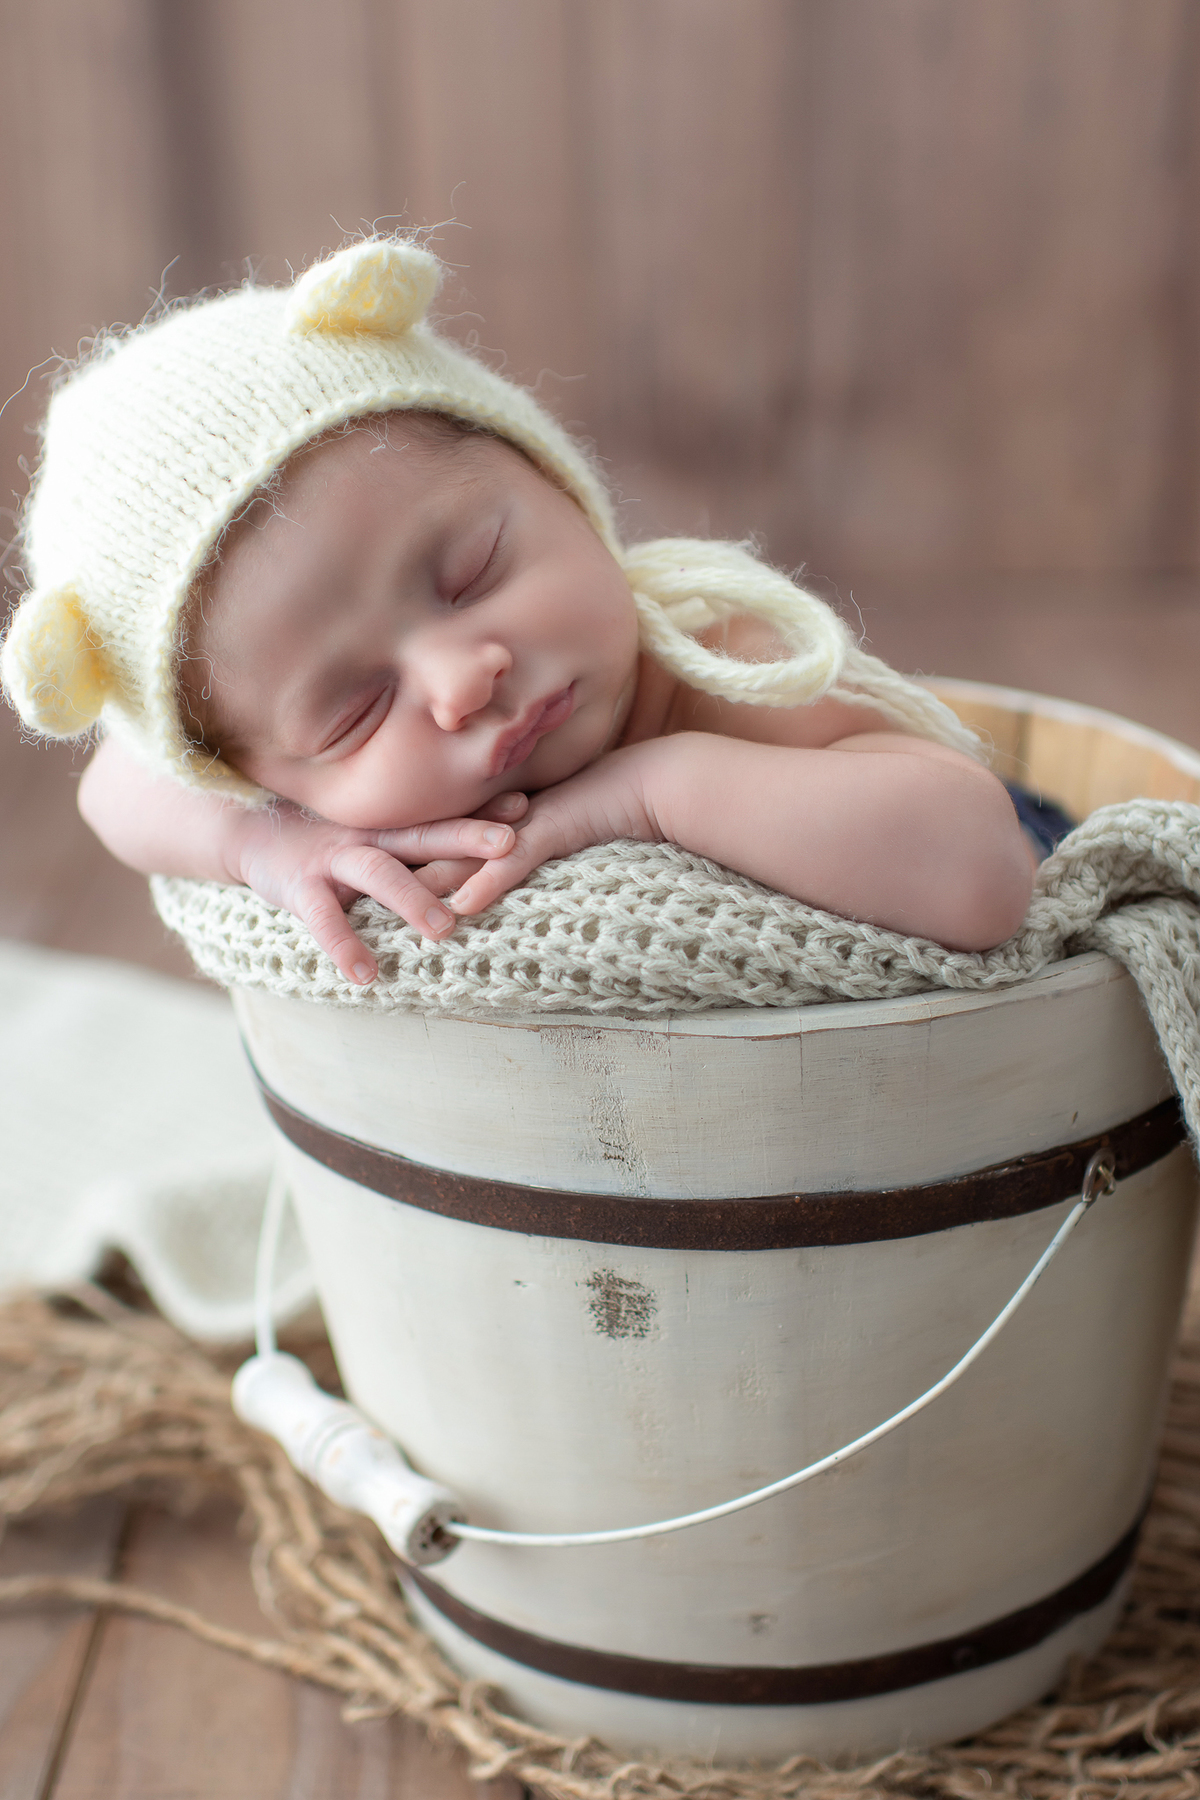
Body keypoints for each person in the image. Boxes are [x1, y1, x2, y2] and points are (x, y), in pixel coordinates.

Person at [2, 239, 1034, 987]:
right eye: (355, 712)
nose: (463, 678)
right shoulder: (313, 814)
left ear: (555, 480)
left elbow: (984, 875)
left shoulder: (719, 666)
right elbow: (116, 785)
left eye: (471, 572)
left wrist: (654, 792)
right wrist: (270, 849)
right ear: (254, 774)